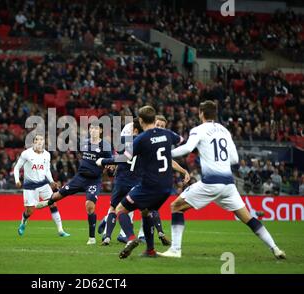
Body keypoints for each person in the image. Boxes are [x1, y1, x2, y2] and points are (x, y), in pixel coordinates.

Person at [158, 100, 285, 259]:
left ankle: (175, 250)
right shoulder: (224, 130)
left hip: (211, 183)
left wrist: (166, 154)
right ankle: (275, 248)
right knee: (248, 218)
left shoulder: (199, 130)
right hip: (228, 185)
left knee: (176, 206)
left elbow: (187, 148)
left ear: (201, 113)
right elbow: (234, 159)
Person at [97, 106, 183, 258]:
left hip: (148, 184)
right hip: (167, 185)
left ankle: (130, 238)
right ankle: (150, 250)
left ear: (141, 120)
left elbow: (124, 158)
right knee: (146, 212)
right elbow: (182, 140)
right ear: (155, 119)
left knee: (120, 210)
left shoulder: (141, 139)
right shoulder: (167, 134)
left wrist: (103, 160)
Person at [37, 120, 113, 245]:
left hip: (93, 180)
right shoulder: (84, 143)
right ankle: (48, 202)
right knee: (58, 195)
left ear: (100, 130)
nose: (93, 130)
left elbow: (110, 162)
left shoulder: (105, 146)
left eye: (95, 128)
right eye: (91, 128)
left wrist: (109, 167)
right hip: (79, 177)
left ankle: (92, 238)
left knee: (89, 206)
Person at [14, 134, 70, 237]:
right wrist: (17, 180)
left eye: (41, 140)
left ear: (43, 142)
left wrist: (52, 181)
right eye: (36, 139)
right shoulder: (26, 154)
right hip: (29, 186)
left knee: (53, 203)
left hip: (43, 184)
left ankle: (60, 230)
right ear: (34, 142)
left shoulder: (47, 154)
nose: (39, 141)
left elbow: (47, 170)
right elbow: (17, 168)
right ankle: (23, 222)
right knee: (30, 211)